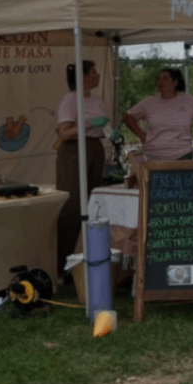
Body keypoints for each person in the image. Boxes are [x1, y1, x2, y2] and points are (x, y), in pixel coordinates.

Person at [55, 59, 110, 269]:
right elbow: (64, 132)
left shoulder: (96, 100)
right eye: (94, 72)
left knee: (92, 200)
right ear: (84, 76)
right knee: (73, 203)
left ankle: (88, 254)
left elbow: (101, 123)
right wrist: (89, 125)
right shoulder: (70, 99)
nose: (98, 75)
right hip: (74, 150)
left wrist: (109, 131)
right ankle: (65, 261)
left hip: (95, 147)